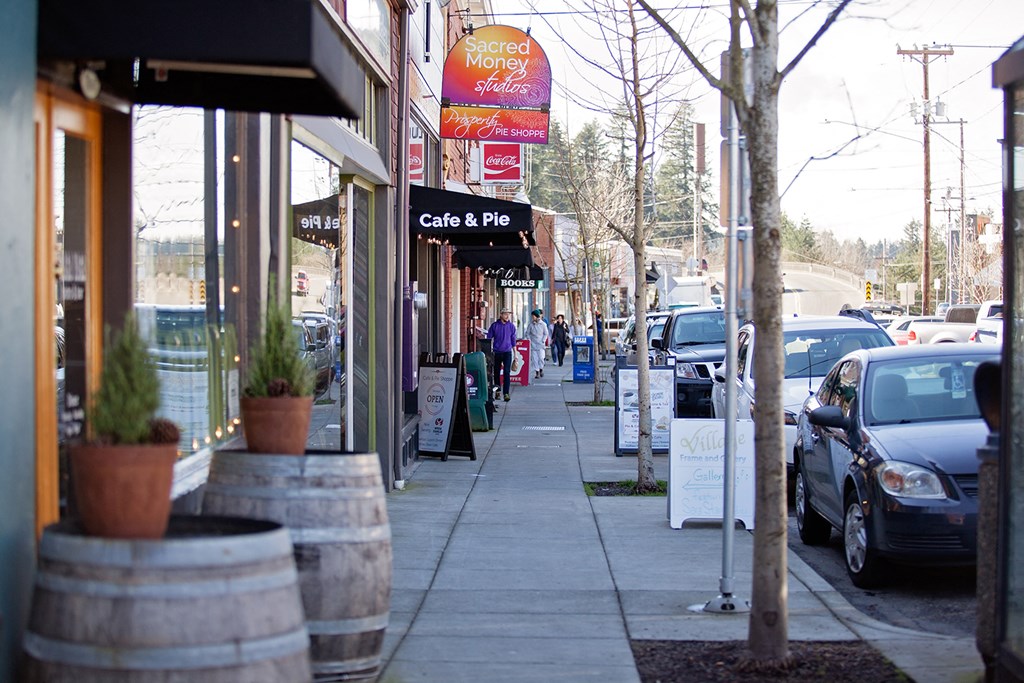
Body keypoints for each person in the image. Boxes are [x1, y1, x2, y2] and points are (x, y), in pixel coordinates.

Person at [487, 307, 516, 401]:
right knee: (496, 372)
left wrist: (515, 354)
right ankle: (498, 391)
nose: (507, 316)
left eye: (508, 314)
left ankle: (506, 393)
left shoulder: (511, 326)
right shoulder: (494, 325)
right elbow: (489, 338)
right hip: (497, 352)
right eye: (505, 314)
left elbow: (513, 340)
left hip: (507, 352)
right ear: (501, 315)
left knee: (507, 372)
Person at [526, 310, 549, 379]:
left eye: (533, 316)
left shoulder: (543, 324)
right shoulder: (531, 324)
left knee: (541, 358)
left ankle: (541, 368)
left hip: (540, 344)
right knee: (534, 359)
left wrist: (543, 340)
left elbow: (546, 333)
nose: (532, 317)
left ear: (536, 316)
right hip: (533, 344)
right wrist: (529, 339)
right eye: (532, 316)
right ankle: (537, 372)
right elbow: (527, 333)